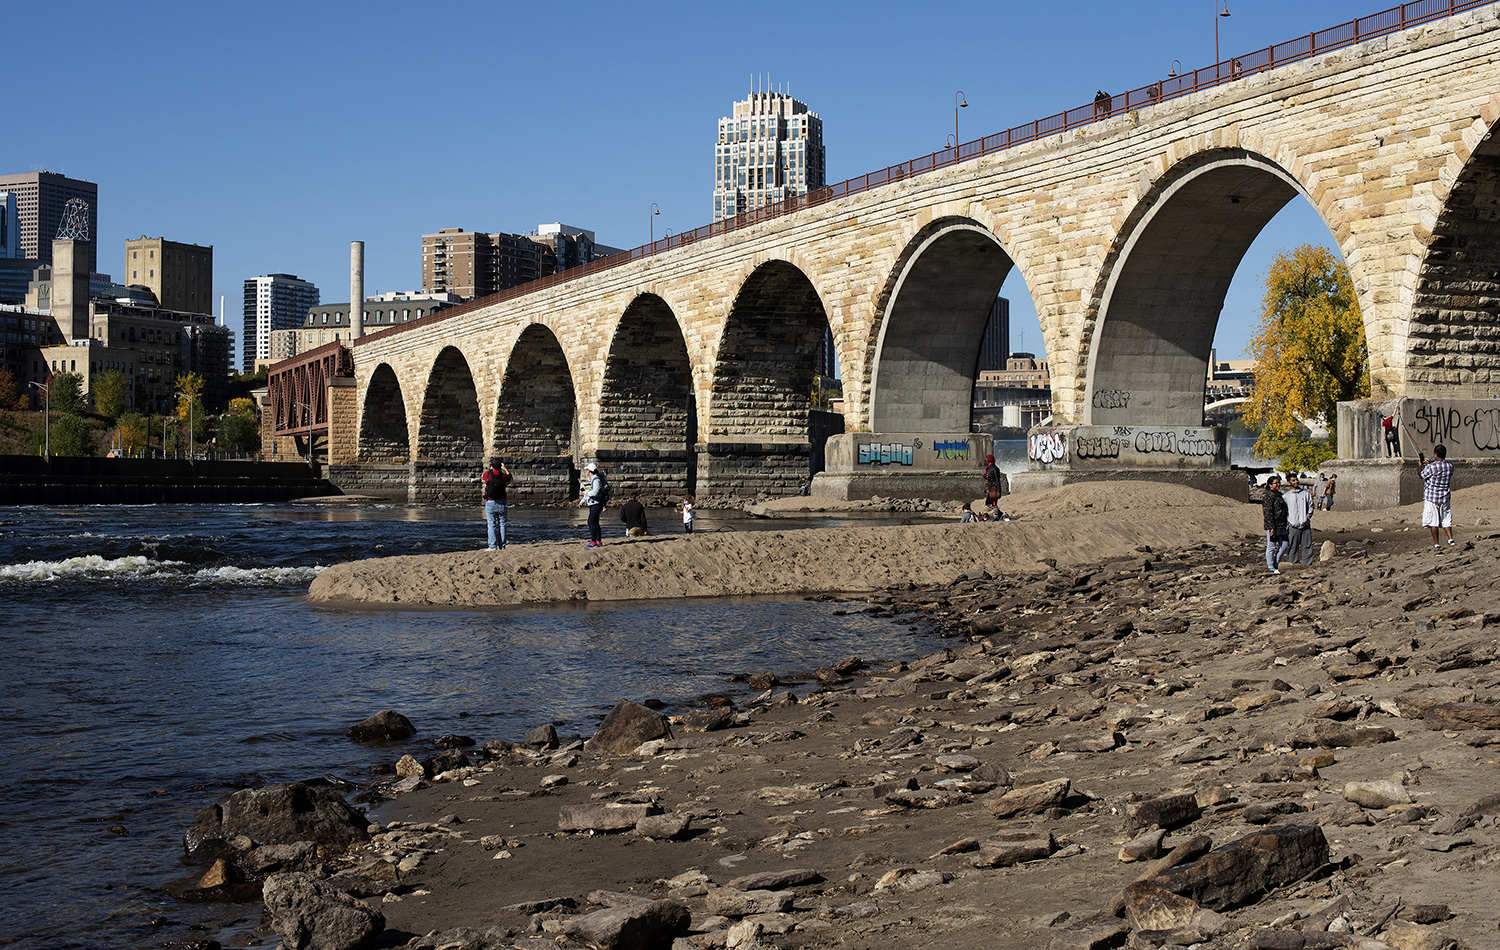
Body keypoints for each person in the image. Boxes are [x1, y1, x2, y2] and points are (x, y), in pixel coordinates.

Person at [1420, 444, 1456, 550]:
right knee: (1446, 519)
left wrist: (1420, 465)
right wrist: (1429, 465)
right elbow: (1439, 470)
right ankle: (1450, 539)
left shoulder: (1431, 467)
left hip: (1432, 497)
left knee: (1433, 521)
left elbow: (1421, 475)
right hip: (1444, 497)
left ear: (1435, 454)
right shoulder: (1450, 466)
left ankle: (1436, 543)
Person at [1283, 473, 1315, 566]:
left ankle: (1307, 564)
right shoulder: (1286, 496)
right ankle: (1291, 563)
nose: (1296, 482)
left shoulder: (1305, 494)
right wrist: (1289, 521)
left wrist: (1307, 518)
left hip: (1305, 525)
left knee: (1307, 545)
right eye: (1293, 480)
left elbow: (1311, 506)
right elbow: (1284, 511)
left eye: (1296, 479)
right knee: (1293, 546)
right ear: (1289, 483)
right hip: (1293, 525)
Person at [481, 458, 512, 551]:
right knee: (502, 524)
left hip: (490, 502)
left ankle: (492, 546)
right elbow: (510, 478)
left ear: (492, 466)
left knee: (491, 525)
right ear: (500, 466)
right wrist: (505, 469)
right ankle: (502, 546)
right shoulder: (503, 476)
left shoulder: (487, 475)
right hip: (501, 502)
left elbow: (483, 476)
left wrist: (490, 469)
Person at [1262, 473, 1289, 574]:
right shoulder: (1268, 496)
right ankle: (1270, 566)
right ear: (1270, 484)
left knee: (1285, 544)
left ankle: (1276, 563)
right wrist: (1271, 527)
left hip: (1282, 525)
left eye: (1278, 483)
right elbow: (1268, 512)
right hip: (1273, 525)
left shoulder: (1280, 495)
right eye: (1275, 483)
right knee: (1271, 546)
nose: (1278, 485)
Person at [578, 462, 607, 547]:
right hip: (592, 503)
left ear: (589, 471)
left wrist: (585, 493)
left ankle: (593, 541)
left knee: (590, 521)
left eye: (587, 470)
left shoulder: (596, 480)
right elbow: (588, 493)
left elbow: (594, 492)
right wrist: (582, 502)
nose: (586, 471)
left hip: (597, 503)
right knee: (595, 522)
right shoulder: (590, 480)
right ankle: (598, 541)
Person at [983, 454, 1005, 519]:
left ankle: (997, 516)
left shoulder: (995, 469)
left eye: (987, 460)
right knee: (989, 503)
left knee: (992, 503)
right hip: (990, 488)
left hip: (994, 488)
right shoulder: (989, 469)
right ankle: (999, 514)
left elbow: (997, 479)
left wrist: (999, 489)